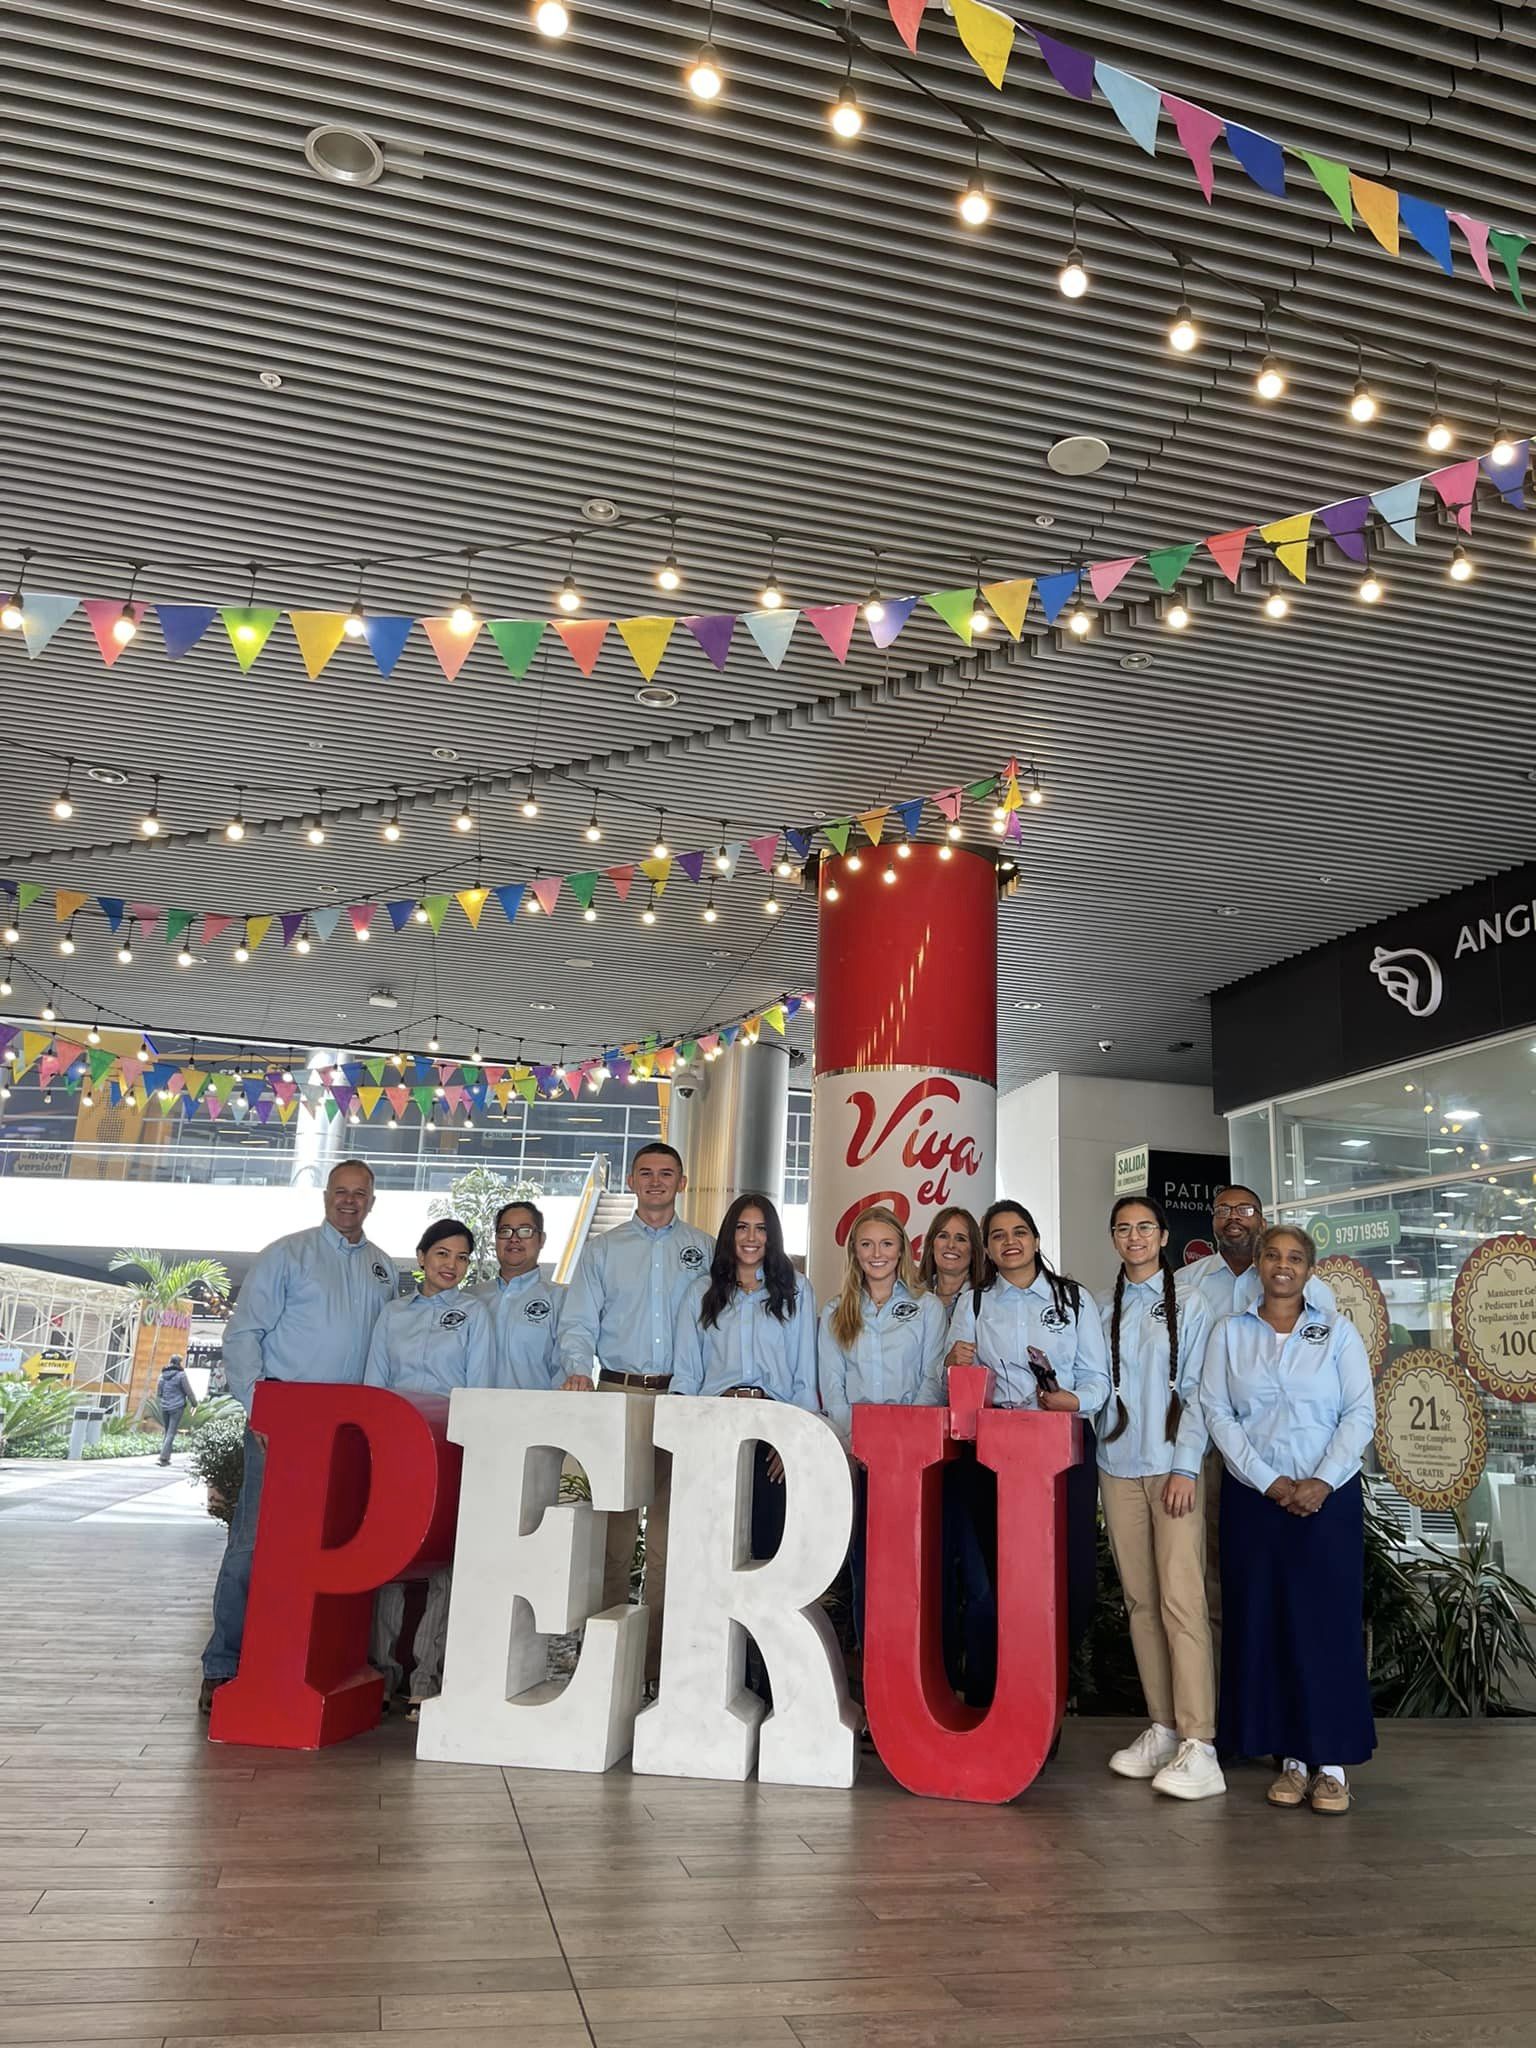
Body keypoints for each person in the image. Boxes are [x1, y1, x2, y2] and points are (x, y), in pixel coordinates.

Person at [200, 1159, 396, 1714]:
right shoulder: (288, 1254)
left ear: (373, 1201)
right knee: (254, 1543)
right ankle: (224, 1665)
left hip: (350, 1427)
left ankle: (314, 1663)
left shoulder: (384, 1269)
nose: (349, 1201)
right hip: (283, 1417)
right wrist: (258, 1408)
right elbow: (244, 1335)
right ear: (326, 1197)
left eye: (360, 1194)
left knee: (335, 1547)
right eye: (340, 1192)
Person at [1200, 1224, 1376, 1814]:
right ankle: (1291, 1760)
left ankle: (1329, 1764)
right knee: (1265, 1625)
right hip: (1257, 1500)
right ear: (1257, 1265)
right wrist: (1266, 1479)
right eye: (1272, 1255)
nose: (1282, 1266)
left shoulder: (1337, 1333)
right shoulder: (1230, 1332)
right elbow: (1217, 1411)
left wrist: (1321, 1480)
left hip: (1327, 1500)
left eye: (1295, 1258)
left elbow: (1358, 1414)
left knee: (1324, 1626)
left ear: (1309, 1269)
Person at [557, 1141, 715, 1686]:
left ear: (682, 1182)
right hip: (617, 1396)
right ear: (630, 1180)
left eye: (665, 1174)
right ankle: (602, 1668)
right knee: (612, 1539)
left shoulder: (706, 1249)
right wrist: (579, 1366)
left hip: (685, 1401)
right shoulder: (603, 1250)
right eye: (645, 1173)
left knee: (672, 1541)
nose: (655, 1182)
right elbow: (577, 1320)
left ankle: (654, 1669)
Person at [946, 1201, 1110, 1703]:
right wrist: (953, 1364)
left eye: (1020, 1232)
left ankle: (1048, 1694)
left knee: (1067, 1577)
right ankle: (993, 1696)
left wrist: (1073, 1402)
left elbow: (1099, 1379)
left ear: (1037, 1241)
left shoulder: (1073, 1299)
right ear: (989, 1250)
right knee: (999, 1577)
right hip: (993, 1454)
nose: (1009, 1242)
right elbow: (952, 1384)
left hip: (1062, 1448)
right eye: (997, 1236)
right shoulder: (974, 1303)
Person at [1097, 1196, 1221, 1800]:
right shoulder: (1103, 1310)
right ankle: (1164, 1727)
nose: (1134, 1237)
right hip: (1116, 1469)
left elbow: (1199, 1393)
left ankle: (1202, 1741)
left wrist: (1185, 1467)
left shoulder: (1192, 1304)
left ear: (1164, 1234)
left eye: (1144, 1226)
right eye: (1123, 1229)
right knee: (1141, 1602)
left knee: (1182, 1600)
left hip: (1172, 1471)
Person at [1177, 1186, 1335, 1656]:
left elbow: (1329, 1370)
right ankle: (1229, 1701)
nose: (1234, 1218)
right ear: (1212, 1220)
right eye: (1223, 1210)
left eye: (1244, 1210)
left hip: (1292, 1455)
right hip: (1210, 1450)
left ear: (1261, 1217)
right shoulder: (1186, 1283)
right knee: (1216, 1577)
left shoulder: (1313, 1291)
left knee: (1291, 1581)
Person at [674, 1193, 817, 1695]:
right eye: (742, 1228)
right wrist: (688, 1444)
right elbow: (687, 1375)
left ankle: (766, 1681)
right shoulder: (701, 1292)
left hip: (773, 1431)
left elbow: (805, 1377)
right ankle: (715, 1680)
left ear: (773, 1236)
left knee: (768, 1555)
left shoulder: (797, 1291)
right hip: (718, 1428)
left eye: (761, 1228)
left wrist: (794, 1443)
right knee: (716, 1556)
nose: (751, 1238)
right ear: (729, 1234)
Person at [365, 1219, 494, 1715]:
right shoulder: (391, 1315)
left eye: (461, 1258)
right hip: (396, 1451)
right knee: (389, 1561)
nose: (451, 1265)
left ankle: (426, 1676)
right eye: (441, 1253)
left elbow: (478, 1390)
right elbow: (374, 1386)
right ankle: (382, 1671)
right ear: (421, 1256)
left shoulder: (474, 1314)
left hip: (448, 1447)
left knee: (442, 1564)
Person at [818, 1205, 947, 1644]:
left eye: (886, 1244)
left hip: (914, 1456)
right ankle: (875, 1681)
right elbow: (831, 1387)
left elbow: (933, 1377)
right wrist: (860, 1445)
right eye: (867, 1244)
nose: (877, 1253)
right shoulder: (836, 1312)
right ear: (854, 1251)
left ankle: (916, 1670)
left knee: (914, 1566)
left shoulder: (927, 1307)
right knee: (865, 1566)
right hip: (859, 1457)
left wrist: (905, 1440)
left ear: (903, 1250)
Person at [471, 1200, 563, 1388]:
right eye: (505, 1231)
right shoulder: (470, 1298)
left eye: (525, 1231)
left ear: (541, 1239)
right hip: (473, 1411)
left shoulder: (560, 1299)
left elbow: (565, 1369)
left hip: (537, 1413)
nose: (514, 1239)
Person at [917, 1206, 985, 1327]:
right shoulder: (913, 1296)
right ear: (932, 1245)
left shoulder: (986, 1299)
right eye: (943, 1236)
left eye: (961, 1239)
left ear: (974, 1250)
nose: (951, 1245)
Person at [154, 1354, 197, 1464]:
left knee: (167, 1431)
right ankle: (164, 1457)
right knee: (171, 1432)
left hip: (165, 1406)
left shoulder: (162, 1375)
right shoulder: (181, 1375)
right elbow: (188, 1391)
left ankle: (165, 1456)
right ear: (179, 1363)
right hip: (177, 1407)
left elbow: (159, 1392)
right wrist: (194, 1403)